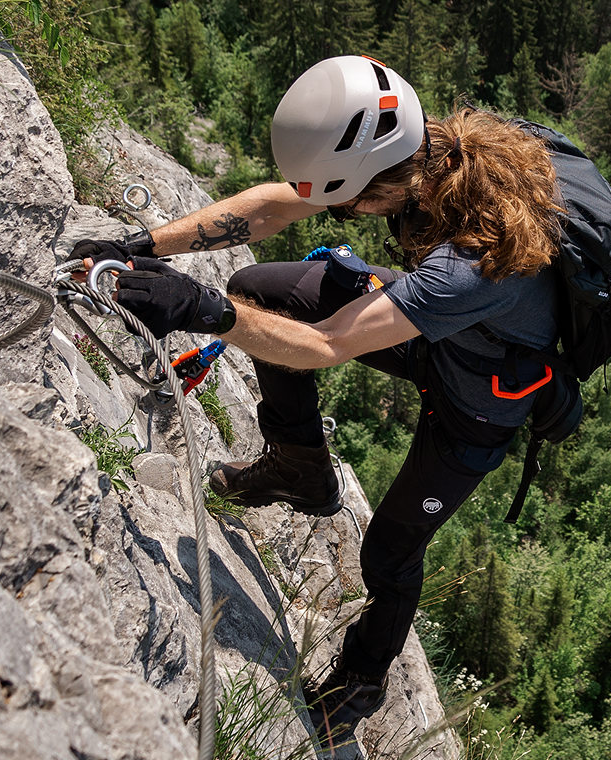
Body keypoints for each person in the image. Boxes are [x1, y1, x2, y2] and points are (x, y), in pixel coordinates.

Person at [73, 55, 567, 749]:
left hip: (482, 396)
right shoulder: (428, 155)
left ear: (380, 184)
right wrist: (143, 243)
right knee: (262, 287)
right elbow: (279, 201)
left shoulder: (469, 264)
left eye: (344, 203)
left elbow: (324, 345)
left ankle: (361, 684)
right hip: (440, 331)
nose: (337, 213)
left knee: (391, 551)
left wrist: (201, 309)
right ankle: (301, 470)